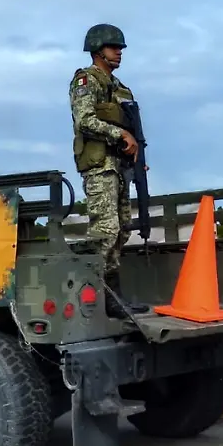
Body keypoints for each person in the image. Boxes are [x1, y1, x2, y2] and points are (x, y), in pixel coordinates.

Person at [68, 23, 148, 318]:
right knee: (105, 230)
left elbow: (132, 126)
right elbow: (84, 121)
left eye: (121, 49)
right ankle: (93, 295)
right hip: (100, 166)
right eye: (115, 48)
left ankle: (112, 298)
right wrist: (119, 136)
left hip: (121, 167)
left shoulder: (121, 88)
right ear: (98, 50)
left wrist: (136, 152)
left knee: (122, 231)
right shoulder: (85, 81)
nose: (119, 53)